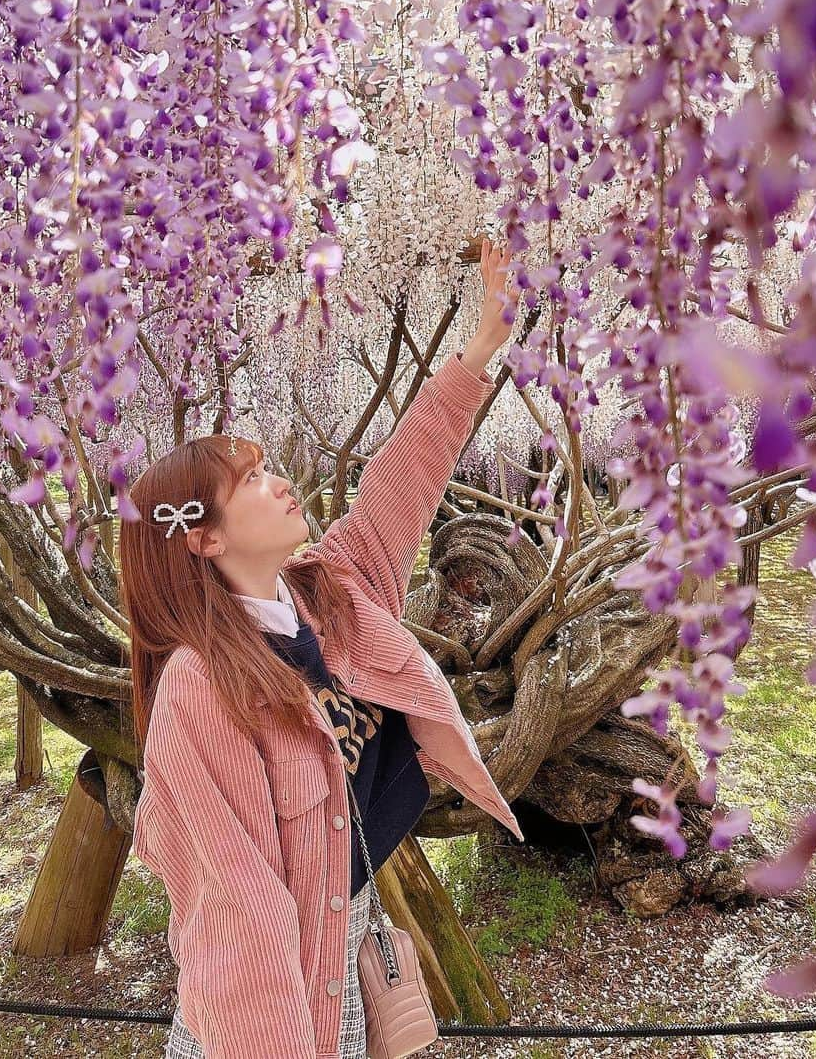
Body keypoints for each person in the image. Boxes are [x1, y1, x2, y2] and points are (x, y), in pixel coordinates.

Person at [121, 239, 526, 1059]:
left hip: (342, 967)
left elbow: (398, 485)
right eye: (250, 482)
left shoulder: (330, 595)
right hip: (265, 1017)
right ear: (201, 539)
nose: (278, 484)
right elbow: (242, 913)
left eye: (270, 468)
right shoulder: (201, 688)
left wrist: (480, 350)